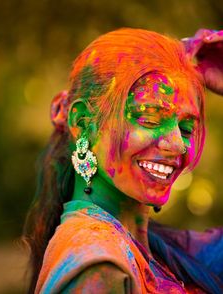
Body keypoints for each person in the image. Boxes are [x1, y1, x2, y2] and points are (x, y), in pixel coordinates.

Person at [23, 28, 223, 293]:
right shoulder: (97, 261)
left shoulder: (162, 251)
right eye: (150, 117)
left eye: (186, 128)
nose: (177, 143)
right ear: (83, 123)